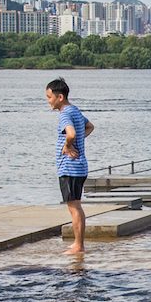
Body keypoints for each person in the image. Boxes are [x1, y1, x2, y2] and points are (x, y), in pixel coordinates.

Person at [45, 77, 94, 255]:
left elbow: (71, 133)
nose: (48, 101)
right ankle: (78, 244)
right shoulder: (75, 110)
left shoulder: (66, 113)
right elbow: (90, 126)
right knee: (76, 205)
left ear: (60, 97)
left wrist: (67, 146)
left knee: (74, 207)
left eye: (49, 97)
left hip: (70, 167)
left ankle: (78, 245)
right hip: (79, 167)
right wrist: (77, 141)